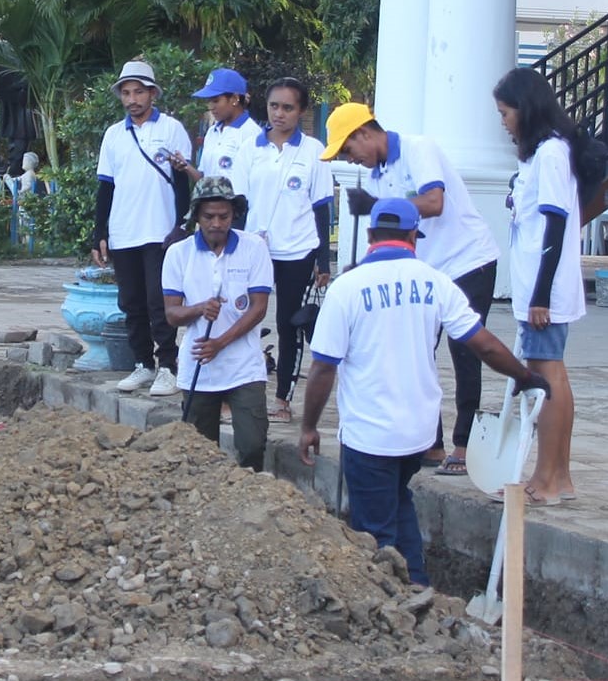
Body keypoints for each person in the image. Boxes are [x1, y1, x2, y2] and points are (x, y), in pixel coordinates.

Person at [299, 199, 550, 587]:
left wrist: (308, 426)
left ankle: (390, 609)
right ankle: (417, 587)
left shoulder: (346, 288)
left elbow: (322, 368)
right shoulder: (434, 281)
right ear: (414, 235)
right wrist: (523, 375)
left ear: (369, 236)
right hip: (416, 435)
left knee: (374, 533)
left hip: (370, 435)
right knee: (399, 506)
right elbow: (481, 343)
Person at [323, 102, 502, 466]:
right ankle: (430, 443)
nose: (350, 159)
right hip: (427, 268)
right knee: (418, 350)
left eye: (348, 149)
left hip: (468, 259)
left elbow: (434, 202)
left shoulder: (419, 148)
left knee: (465, 349)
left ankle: (465, 444)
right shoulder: (375, 176)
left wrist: (380, 202)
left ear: (364, 133)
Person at [493, 68, 604, 501]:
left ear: (526, 109)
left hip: (546, 291)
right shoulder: (537, 155)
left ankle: (547, 479)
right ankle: (557, 476)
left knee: (548, 377)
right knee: (550, 373)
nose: (503, 122)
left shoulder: (552, 154)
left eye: (505, 113)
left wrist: (540, 296)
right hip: (534, 287)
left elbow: (556, 224)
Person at [91, 59, 194, 398]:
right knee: (130, 301)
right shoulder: (113, 135)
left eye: (138, 92)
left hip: (160, 230)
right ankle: (142, 364)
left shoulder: (172, 129)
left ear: (152, 93)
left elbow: (182, 181)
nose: (132, 99)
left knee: (158, 301)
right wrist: (99, 233)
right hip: (124, 230)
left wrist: (181, 225)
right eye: (126, 92)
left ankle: (167, 365)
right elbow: (105, 187)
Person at [162, 177, 274, 469]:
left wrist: (220, 343)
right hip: (198, 364)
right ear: (196, 216)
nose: (216, 223)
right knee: (200, 452)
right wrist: (199, 309)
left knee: (252, 446)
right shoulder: (178, 253)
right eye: (209, 217)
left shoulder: (254, 248)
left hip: (245, 366)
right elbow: (172, 314)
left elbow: (259, 308)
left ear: (233, 215)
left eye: (223, 216)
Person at [242, 77, 333, 421]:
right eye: (274, 106)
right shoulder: (251, 149)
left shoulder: (313, 152)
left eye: (288, 107)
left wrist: (323, 259)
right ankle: (241, 389)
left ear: (301, 111)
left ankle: (282, 398)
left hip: (298, 250)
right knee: (246, 318)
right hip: (254, 249)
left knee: (289, 323)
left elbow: (322, 207)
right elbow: (238, 202)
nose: (279, 114)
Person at [184, 68, 259, 183]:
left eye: (216, 101)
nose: (211, 107)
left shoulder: (252, 134)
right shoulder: (212, 132)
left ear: (234, 99)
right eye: (209, 101)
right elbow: (204, 179)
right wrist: (186, 167)